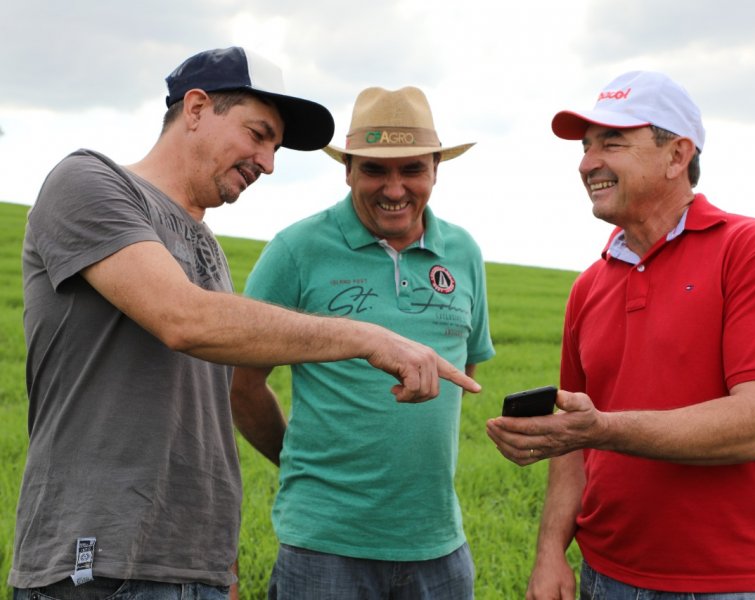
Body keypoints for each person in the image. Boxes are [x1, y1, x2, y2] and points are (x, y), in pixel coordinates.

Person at [9, 47, 480, 600]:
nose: (269, 162)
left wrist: (219, 558)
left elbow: (206, 409)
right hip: (98, 563)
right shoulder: (87, 182)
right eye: (258, 135)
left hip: (193, 565)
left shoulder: (205, 245)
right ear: (196, 108)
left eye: (275, 146)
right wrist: (366, 337)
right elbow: (183, 319)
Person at [486, 70, 755, 599]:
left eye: (612, 142)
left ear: (677, 155)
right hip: (605, 575)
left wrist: (601, 429)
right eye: (586, 147)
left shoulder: (754, 250)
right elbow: (572, 440)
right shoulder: (589, 286)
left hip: (728, 582)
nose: (588, 162)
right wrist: (550, 553)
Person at [231, 85, 495, 599]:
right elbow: (241, 384)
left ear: (436, 169)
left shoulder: (463, 252)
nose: (394, 189)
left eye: (412, 169)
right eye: (374, 170)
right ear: (348, 170)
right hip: (324, 548)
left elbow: (463, 373)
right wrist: (299, 463)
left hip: (438, 545)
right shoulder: (297, 250)